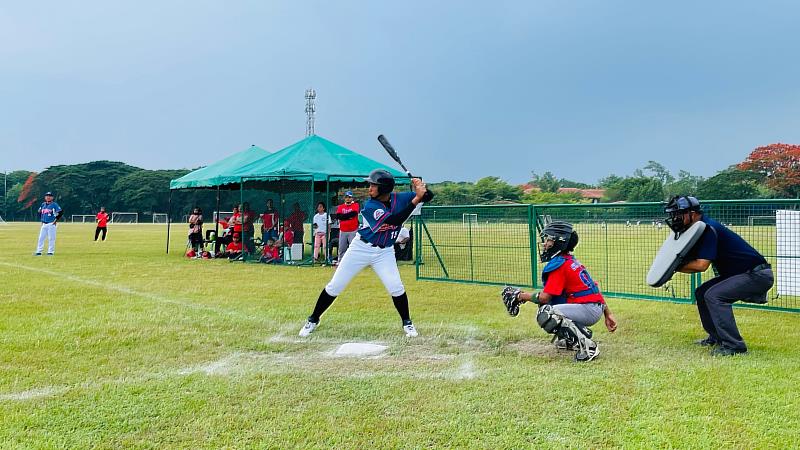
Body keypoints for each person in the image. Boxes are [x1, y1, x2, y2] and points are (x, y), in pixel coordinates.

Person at [298, 170, 434, 338]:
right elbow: (394, 220)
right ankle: (313, 319)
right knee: (335, 285)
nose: (370, 188)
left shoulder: (401, 198)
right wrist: (416, 198)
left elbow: (428, 197)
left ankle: (407, 322)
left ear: (383, 189)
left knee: (396, 287)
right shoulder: (370, 206)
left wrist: (422, 189)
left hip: (384, 252)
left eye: (373, 185)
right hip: (360, 248)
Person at [665, 196, 774, 356]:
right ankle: (716, 337)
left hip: (756, 274)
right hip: (741, 273)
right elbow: (691, 264)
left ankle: (734, 346)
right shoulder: (698, 230)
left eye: (678, 214)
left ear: (693, 214)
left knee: (714, 295)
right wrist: (673, 268)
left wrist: (673, 267)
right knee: (702, 293)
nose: (675, 218)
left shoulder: (708, 229)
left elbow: (701, 265)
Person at [501, 221, 617, 362]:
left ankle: (589, 347)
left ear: (559, 243)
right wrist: (607, 314)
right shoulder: (570, 260)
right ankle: (570, 340)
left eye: (549, 239)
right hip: (593, 307)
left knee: (547, 312)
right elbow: (594, 290)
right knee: (550, 305)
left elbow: (544, 297)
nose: (545, 243)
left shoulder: (560, 265)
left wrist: (520, 296)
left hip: (588, 309)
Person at [331, 191, 360, 265]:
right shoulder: (341, 207)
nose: (348, 199)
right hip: (343, 230)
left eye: (349, 197)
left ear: (352, 198)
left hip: (353, 230)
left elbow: (353, 214)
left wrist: (344, 217)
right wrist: (348, 217)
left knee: (353, 247)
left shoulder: (355, 205)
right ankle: (341, 261)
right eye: (346, 197)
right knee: (342, 247)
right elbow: (338, 216)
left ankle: (354, 262)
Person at [35, 191, 63, 255]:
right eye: (47, 196)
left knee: (51, 238)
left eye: (50, 196)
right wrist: (41, 220)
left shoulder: (54, 204)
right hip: (44, 224)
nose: (48, 197)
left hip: (51, 224)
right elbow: (39, 212)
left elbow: (60, 212)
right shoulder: (43, 204)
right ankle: (39, 251)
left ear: (52, 197)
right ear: (45, 197)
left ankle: (50, 252)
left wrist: (55, 220)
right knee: (41, 238)